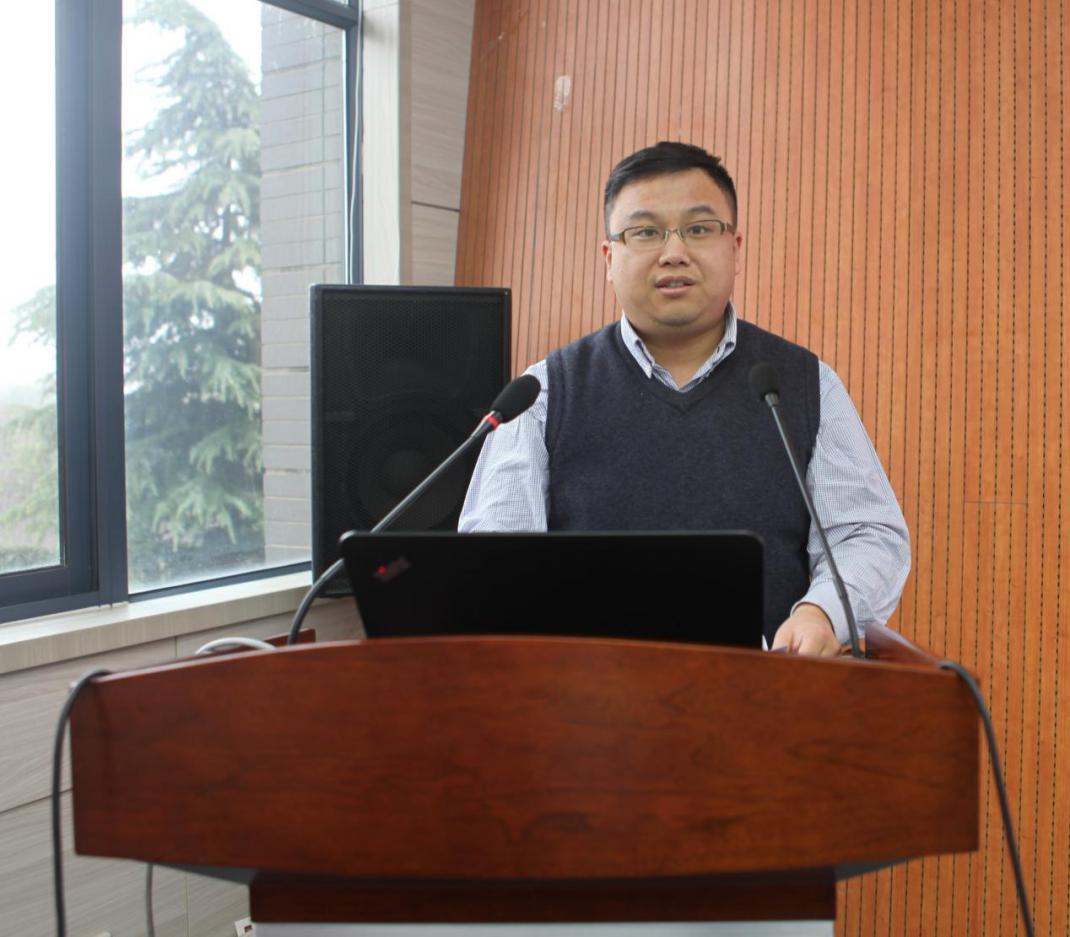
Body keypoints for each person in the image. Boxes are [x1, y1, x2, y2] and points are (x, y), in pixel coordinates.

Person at [459, 141, 910, 657]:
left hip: (765, 687)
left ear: (735, 248)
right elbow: (494, 560)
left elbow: (867, 534)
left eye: (698, 229)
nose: (674, 252)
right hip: (587, 692)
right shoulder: (543, 394)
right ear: (609, 258)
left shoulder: (803, 384)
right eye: (645, 232)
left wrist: (821, 612)